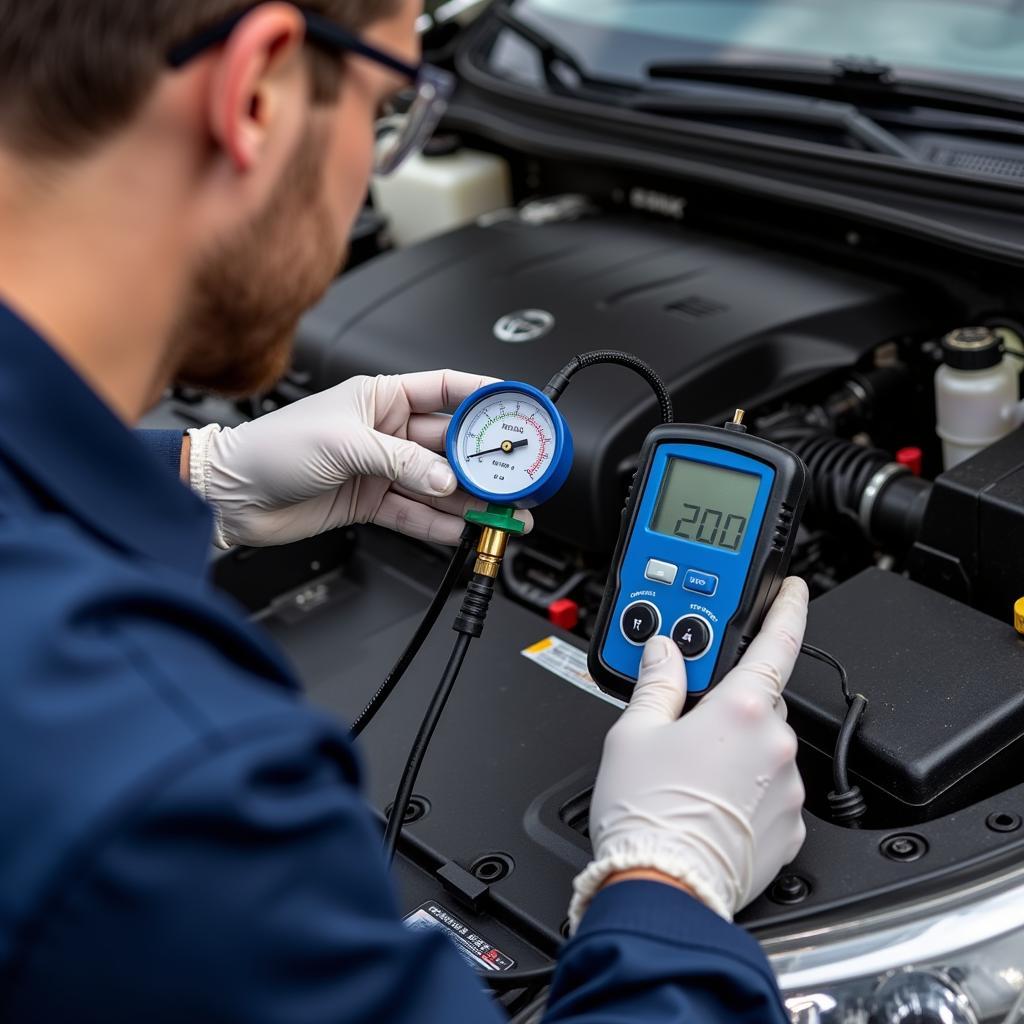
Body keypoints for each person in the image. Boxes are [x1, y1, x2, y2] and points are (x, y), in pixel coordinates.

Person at [0, 1, 809, 1021]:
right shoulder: (163, 784)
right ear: (256, 93)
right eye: (391, 111)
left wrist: (197, 474)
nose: (375, 174)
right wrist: (669, 885)